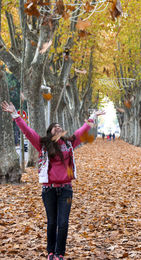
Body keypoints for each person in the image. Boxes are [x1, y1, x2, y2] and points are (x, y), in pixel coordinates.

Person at [1, 101, 105, 260]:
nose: (58, 127)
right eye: (55, 126)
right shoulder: (42, 144)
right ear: (50, 132)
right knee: (52, 222)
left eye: (60, 126)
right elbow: (28, 132)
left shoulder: (69, 143)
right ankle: (51, 252)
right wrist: (16, 115)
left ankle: (59, 254)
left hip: (66, 189)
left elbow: (83, 130)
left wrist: (93, 117)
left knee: (63, 223)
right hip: (48, 189)